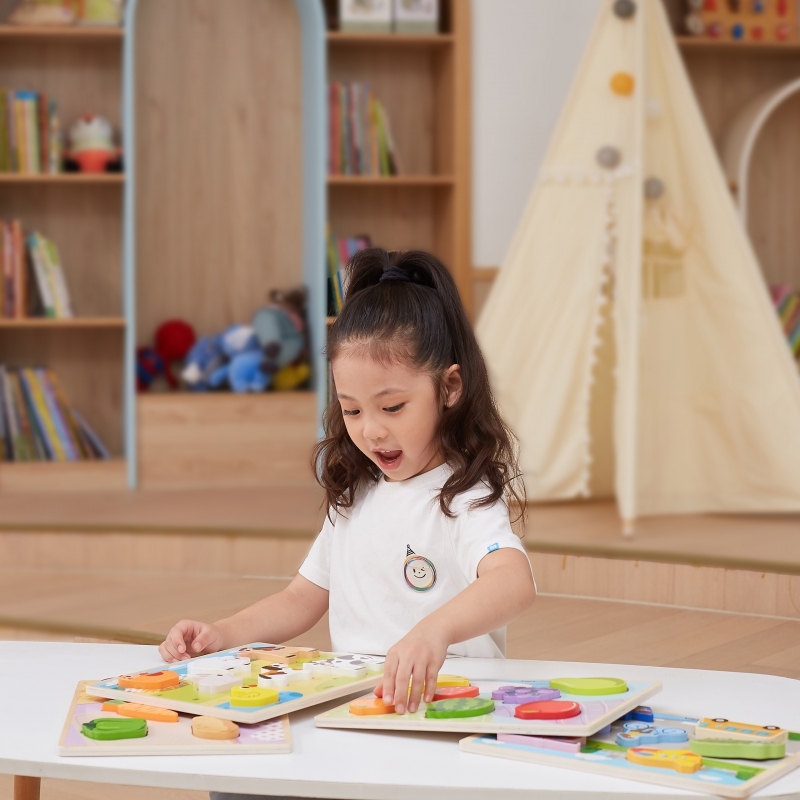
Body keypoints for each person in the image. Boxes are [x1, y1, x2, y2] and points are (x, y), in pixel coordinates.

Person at [159, 248, 537, 724]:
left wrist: (433, 632)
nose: (371, 431)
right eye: (352, 410)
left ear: (450, 388)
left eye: (392, 407)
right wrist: (223, 634)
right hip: (363, 705)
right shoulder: (356, 495)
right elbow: (301, 598)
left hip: (449, 703)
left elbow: (513, 581)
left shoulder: (463, 495)